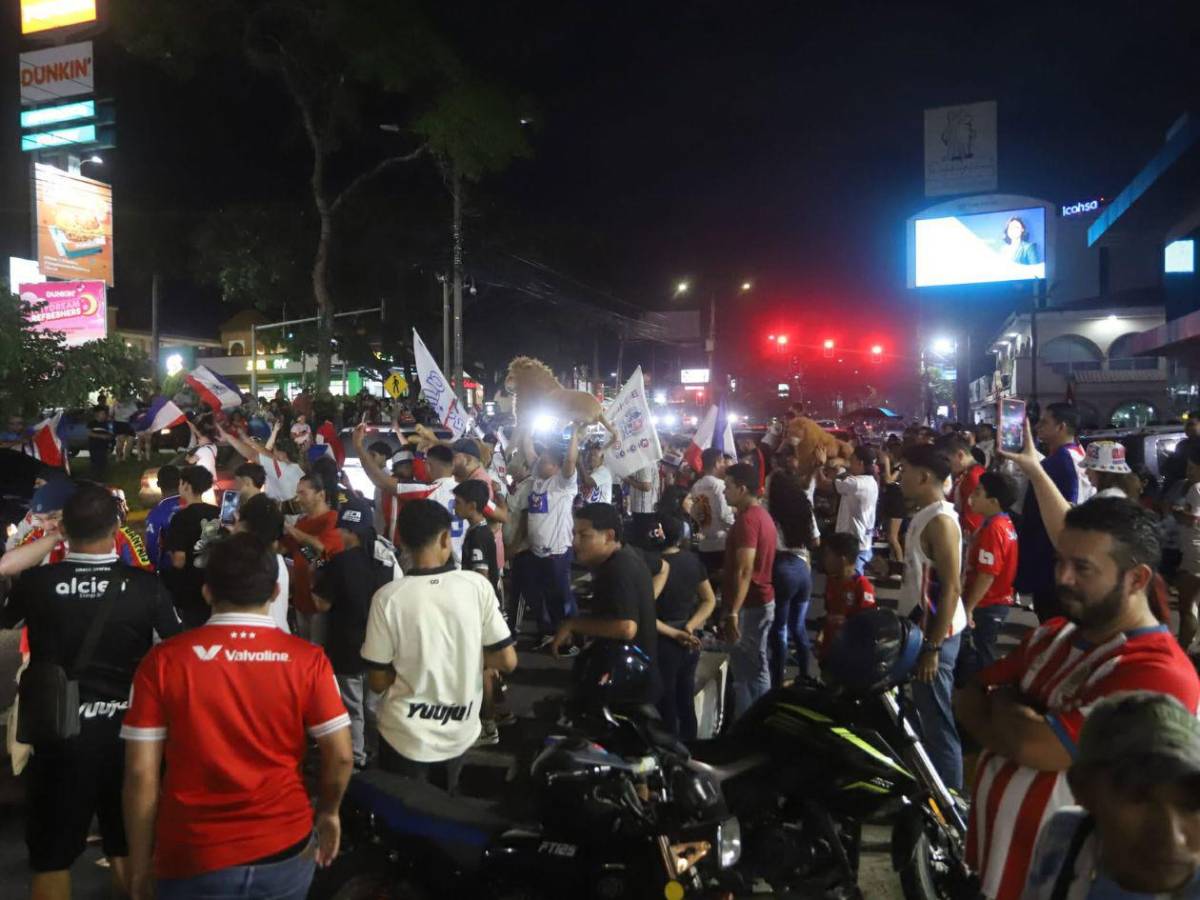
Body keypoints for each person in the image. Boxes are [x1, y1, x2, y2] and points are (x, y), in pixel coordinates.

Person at [955, 490, 1200, 898]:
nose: (1062, 578)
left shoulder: (1158, 671)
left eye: (1082, 568)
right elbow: (968, 697)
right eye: (1060, 562)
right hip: (990, 872)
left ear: (1136, 578)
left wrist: (1007, 704)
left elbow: (1035, 747)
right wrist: (1018, 718)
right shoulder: (1053, 634)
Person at [122, 534, 353, 900]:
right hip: (285, 848)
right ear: (277, 592)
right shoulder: (308, 660)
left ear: (207, 592)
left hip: (193, 854)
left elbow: (140, 774)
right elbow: (340, 755)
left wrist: (138, 863)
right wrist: (329, 812)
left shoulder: (163, 661)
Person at [1, 483, 182, 899]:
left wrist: (54, 535)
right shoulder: (144, 587)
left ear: (66, 527)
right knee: (131, 852)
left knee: (51, 859)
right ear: (118, 528)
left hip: (59, 735)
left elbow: (5, 568)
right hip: (129, 738)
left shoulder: (40, 583)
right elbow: (175, 649)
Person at [361, 500, 516, 792]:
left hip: (403, 733)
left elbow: (378, 681)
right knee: (446, 808)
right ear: (446, 538)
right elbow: (508, 661)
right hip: (459, 730)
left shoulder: (388, 598)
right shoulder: (475, 587)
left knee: (404, 814)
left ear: (402, 541)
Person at [1022, 692, 1200, 899]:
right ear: (1084, 790)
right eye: (1138, 796)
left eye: (1193, 802)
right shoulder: (1065, 837)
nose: (1172, 837)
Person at [898, 444, 966, 790]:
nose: (899, 477)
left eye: (904, 469)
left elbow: (951, 587)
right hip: (922, 634)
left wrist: (933, 647)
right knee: (927, 718)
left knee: (938, 725)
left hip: (935, 637)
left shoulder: (940, 519)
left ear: (924, 476)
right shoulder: (926, 513)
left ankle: (949, 807)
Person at [313, 500, 392, 769]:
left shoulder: (340, 563)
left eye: (342, 530)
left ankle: (357, 759)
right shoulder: (385, 560)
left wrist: (317, 576)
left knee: (352, 706)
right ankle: (381, 753)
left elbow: (321, 604)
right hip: (380, 646)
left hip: (346, 645)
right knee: (376, 706)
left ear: (350, 532)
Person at [553, 503, 660, 676]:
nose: (575, 542)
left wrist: (573, 625)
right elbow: (663, 567)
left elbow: (626, 628)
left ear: (609, 536)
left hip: (628, 677)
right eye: (574, 534)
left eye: (584, 535)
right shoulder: (627, 554)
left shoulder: (619, 568)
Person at [1015, 402, 1090, 622]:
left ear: (1062, 427)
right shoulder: (1079, 454)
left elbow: (1060, 515)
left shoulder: (1059, 462)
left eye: (1044, 422)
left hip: (1052, 560)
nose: (1037, 426)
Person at [720, 462, 778, 718]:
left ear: (742, 489)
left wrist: (733, 612)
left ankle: (748, 726)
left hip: (750, 605)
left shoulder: (748, 521)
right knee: (755, 667)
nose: (724, 492)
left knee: (747, 674)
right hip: (757, 601)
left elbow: (745, 570)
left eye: (728, 486)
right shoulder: (760, 515)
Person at [652, 514, 715, 738]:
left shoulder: (654, 566)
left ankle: (670, 755)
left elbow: (645, 612)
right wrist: (691, 625)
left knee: (665, 702)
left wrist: (677, 632)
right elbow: (709, 600)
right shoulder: (692, 561)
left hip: (663, 636)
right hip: (690, 639)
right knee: (685, 699)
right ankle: (691, 751)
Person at [519, 427, 581, 652]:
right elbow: (528, 451)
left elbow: (571, 460)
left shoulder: (563, 484)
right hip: (536, 552)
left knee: (561, 599)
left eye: (544, 461)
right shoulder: (537, 478)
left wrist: (575, 434)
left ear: (556, 466)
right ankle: (550, 634)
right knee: (542, 596)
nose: (538, 463)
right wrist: (526, 427)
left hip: (557, 553)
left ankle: (571, 639)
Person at [957, 471, 1019, 677]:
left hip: (988, 604)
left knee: (983, 655)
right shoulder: (1000, 523)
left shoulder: (994, 529)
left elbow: (987, 574)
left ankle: (982, 698)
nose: (971, 497)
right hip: (992, 602)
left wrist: (969, 607)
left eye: (978, 492)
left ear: (993, 501)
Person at [766, 469, 818, 685]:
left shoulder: (768, 508)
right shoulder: (804, 506)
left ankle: (778, 679)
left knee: (779, 628)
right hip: (803, 569)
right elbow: (816, 541)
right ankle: (805, 675)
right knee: (798, 627)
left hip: (781, 568)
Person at [282, 473, 345, 636]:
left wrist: (289, 528)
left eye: (303, 493)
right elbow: (282, 547)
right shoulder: (301, 523)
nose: (298, 499)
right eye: (297, 493)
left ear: (321, 494)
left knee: (318, 650)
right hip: (301, 599)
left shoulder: (333, 520)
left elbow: (321, 547)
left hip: (321, 602)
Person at [161, 466, 220, 628]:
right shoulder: (218, 513)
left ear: (186, 485)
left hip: (191, 591)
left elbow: (179, 560)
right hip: (218, 587)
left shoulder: (180, 518)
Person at [235, 493, 291, 633]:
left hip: (259, 640)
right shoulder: (275, 557)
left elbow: (321, 558)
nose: (299, 498)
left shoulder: (245, 561)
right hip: (281, 630)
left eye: (303, 492)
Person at [817, 532, 876, 661]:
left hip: (850, 653)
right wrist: (822, 633)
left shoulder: (862, 587)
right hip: (829, 649)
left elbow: (868, 623)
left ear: (842, 560)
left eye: (828, 555)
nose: (824, 560)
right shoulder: (831, 582)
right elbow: (829, 612)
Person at [822, 445, 879, 574]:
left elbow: (825, 484)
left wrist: (819, 465)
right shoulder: (871, 481)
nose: (850, 463)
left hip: (853, 545)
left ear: (860, 463)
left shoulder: (856, 483)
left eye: (852, 460)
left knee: (850, 584)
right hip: (862, 542)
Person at [690, 447, 735, 582]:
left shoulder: (696, 486)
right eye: (722, 462)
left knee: (709, 583)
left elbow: (695, 513)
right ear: (716, 463)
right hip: (721, 544)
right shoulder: (720, 485)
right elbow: (725, 514)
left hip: (704, 544)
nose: (724, 466)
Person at [455, 479, 499, 593]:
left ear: (471, 506)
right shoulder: (479, 530)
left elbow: (482, 577)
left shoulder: (478, 536)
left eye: (458, 502)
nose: (454, 507)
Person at [940, 435, 986, 537]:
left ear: (960, 455)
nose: (946, 465)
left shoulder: (973, 477)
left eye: (947, 460)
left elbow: (973, 520)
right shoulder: (967, 473)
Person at [143, 465, 181, 570]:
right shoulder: (193, 505)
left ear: (158, 484)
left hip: (170, 571)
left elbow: (152, 547)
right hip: (198, 569)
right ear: (180, 482)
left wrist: (155, 568)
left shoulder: (156, 514)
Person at [87, 405, 114, 480]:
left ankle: (101, 477)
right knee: (95, 461)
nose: (104, 415)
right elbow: (89, 433)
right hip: (94, 446)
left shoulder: (108, 424)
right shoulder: (92, 423)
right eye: (102, 413)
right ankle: (93, 477)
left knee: (103, 461)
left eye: (105, 414)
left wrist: (109, 439)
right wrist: (101, 436)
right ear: (97, 414)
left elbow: (111, 435)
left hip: (103, 446)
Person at [112, 395, 138, 463]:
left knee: (126, 440)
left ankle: (122, 457)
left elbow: (111, 413)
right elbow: (136, 411)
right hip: (121, 423)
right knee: (122, 440)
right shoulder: (118, 403)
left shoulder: (118, 403)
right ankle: (121, 457)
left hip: (122, 422)